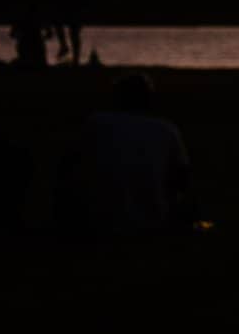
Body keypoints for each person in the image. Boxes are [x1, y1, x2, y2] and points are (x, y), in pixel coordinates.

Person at [66, 73, 193, 235]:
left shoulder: (96, 123)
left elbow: (71, 165)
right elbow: (182, 179)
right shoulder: (166, 129)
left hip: (98, 221)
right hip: (153, 222)